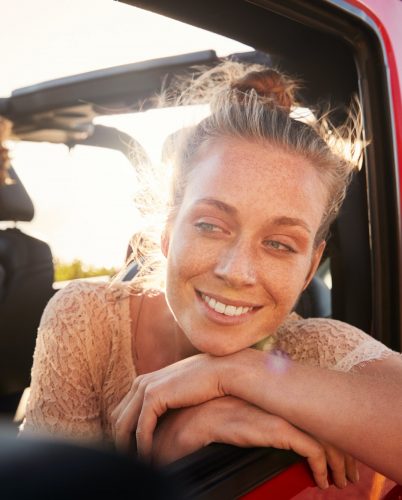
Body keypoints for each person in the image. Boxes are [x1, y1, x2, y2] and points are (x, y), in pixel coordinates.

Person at [21, 63, 402, 491]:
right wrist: (165, 452)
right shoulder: (87, 320)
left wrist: (239, 372)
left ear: (310, 268)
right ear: (167, 231)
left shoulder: (311, 350)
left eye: (279, 244)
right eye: (210, 225)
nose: (236, 272)